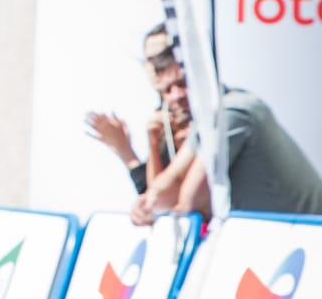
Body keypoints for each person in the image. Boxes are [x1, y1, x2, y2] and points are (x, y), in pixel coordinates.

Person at [130, 50, 322, 224]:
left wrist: (155, 215)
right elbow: (172, 180)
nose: (176, 95)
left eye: (182, 84)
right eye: (167, 90)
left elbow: (192, 203)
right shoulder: (209, 116)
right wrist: (146, 205)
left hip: (306, 240)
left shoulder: (233, 112)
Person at [84, 25, 188, 194]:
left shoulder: (192, 114)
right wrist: (124, 149)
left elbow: (164, 198)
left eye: (162, 57)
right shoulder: (162, 114)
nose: (156, 67)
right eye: (150, 60)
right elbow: (152, 197)